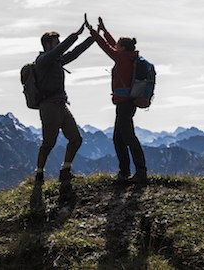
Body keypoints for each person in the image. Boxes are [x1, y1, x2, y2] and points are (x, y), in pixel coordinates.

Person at [85, 14, 147, 184]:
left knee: (128, 137)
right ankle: (125, 172)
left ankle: (139, 172)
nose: (116, 46)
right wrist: (104, 30)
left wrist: (93, 32)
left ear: (123, 48)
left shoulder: (121, 58)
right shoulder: (128, 57)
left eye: (119, 45)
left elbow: (106, 47)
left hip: (124, 104)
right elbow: (112, 44)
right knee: (119, 138)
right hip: (127, 103)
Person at [34, 21, 94, 183]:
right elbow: (63, 50)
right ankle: (39, 174)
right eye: (56, 43)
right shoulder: (42, 61)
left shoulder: (56, 61)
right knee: (49, 142)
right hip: (49, 106)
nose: (59, 45)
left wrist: (93, 37)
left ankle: (65, 170)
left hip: (60, 105)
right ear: (47, 44)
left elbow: (75, 53)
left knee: (76, 139)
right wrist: (76, 34)